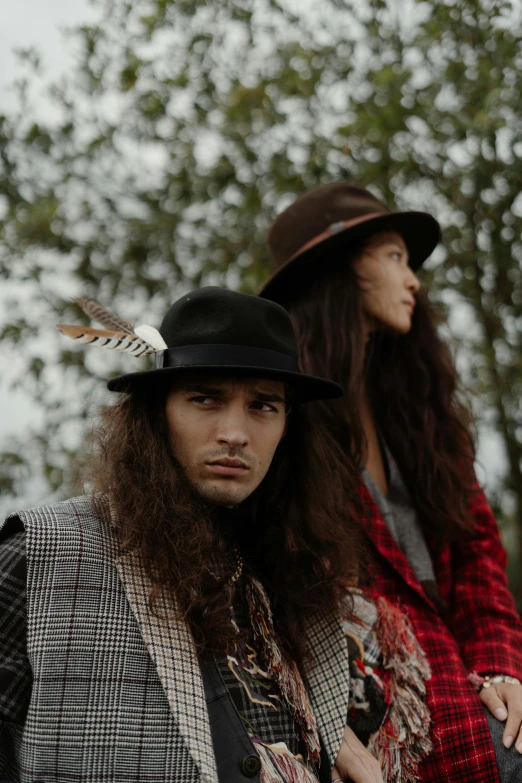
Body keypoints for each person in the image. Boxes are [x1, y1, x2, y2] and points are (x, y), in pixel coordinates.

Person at [0, 286, 402, 783]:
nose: (234, 432)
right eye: (205, 398)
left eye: (263, 406)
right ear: (157, 412)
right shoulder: (44, 553)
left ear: (287, 425)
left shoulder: (300, 578)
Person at [260, 183, 522, 783]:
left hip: (465, 667)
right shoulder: (288, 418)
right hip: (371, 693)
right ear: (341, 274)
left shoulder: (423, 415)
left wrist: (502, 667)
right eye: (396, 258)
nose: (414, 282)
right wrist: (328, 726)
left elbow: (480, 556)